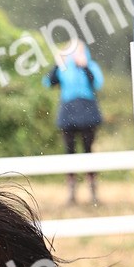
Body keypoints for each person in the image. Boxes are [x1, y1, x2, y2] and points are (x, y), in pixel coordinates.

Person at [43, 39, 104, 205]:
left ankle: (92, 190)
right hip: (68, 112)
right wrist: (57, 64)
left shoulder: (90, 67)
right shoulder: (64, 68)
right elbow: (49, 82)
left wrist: (84, 66)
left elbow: (97, 83)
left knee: (88, 150)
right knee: (69, 151)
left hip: (87, 111)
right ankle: (71, 191)